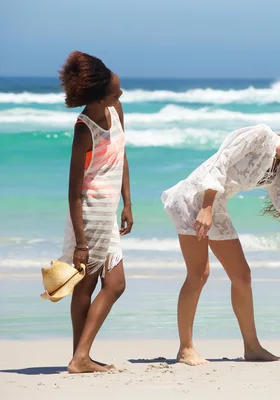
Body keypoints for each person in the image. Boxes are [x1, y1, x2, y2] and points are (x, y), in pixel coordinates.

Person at [161, 124, 280, 365]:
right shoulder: (261, 135)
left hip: (215, 206)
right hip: (193, 200)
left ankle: (252, 347)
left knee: (242, 276)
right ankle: (185, 348)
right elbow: (220, 162)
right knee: (199, 273)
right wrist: (206, 208)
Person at [58, 51, 132, 373]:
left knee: (114, 284)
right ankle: (80, 357)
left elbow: (121, 155)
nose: (121, 95)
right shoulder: (83, 129)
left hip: (110, 214)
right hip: (89, 217)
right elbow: (73, 192)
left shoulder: (115, 111)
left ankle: (80, 356)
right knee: (88, 288)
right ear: (99, 96)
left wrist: (127, 202)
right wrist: (81, 243)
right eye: (116, 92)